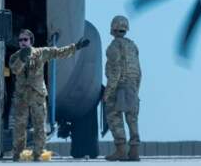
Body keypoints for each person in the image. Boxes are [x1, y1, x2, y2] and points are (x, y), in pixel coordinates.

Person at [9, 29, 90, 161]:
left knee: (39, 126)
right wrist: (22, 59)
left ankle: (38, 153)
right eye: (20, 40)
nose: (22, 42)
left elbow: (59, 52)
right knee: (19, 126)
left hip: (37, 94)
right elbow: (15, 70)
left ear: (31, 41)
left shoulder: (41, 52)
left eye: (25, 40)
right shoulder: (15, 57)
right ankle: (18, 154)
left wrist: (76, 47)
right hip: (21, 96)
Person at [103, 15, 142, 161]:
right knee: (132, 118)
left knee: (113, 116)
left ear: (113, 28)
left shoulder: (113, 47)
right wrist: (136, 90)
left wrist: (108, 93)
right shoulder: (133, 46)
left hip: (119, 87)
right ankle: (134, 151)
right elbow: (139, 71)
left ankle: (121, 150)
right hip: (132, 86)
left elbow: (115, 72)